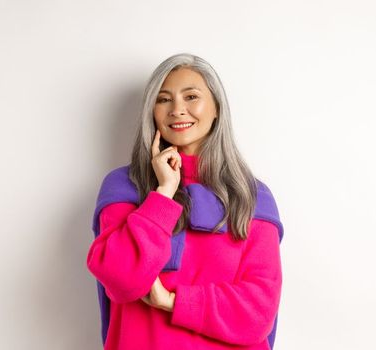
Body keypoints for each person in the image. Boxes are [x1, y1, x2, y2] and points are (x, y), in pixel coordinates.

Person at [86, 53, 284, 349]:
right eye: (163, 100)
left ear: (217, 107)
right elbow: (120, 279)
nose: (177, 110)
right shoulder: (124, 187)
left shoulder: (251, 196)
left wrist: (173, 301)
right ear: (151, 112)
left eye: (191, 96)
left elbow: (258, 311)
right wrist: (164, 192)